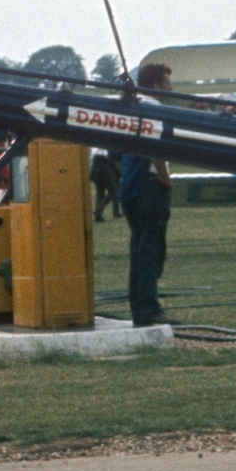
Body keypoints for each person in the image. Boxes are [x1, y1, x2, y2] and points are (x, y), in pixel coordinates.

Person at [119, 62, 176, 327]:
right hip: (150, 186)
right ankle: (149, 309)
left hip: (131, 188)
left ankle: (140, 309)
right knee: (151, 250)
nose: (171, 86)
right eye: (167, 82)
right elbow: (155, 145)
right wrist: (165, 177)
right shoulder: (152, 108)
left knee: (140, 250)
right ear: (155, 85)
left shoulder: (134, 107)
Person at [90, 148, 123, 222]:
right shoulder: (105, 141)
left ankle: (98, 216)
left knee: (100, 192)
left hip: (94, 166)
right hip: (103, 165)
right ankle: (99, 209)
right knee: (113, 191)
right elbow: (107, 155)